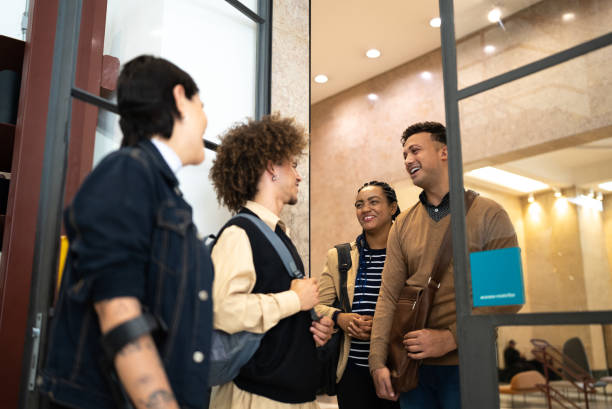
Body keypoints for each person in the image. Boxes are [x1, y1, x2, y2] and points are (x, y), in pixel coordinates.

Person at [40, 56, 213, 409]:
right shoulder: (127, 172)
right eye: (202, 105)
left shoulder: (165, 192)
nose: (206, 120)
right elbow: (119, 311)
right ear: (179, 98)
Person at [369, 121, 522, 409]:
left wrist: (452, 338)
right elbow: (388, 297)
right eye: (404, 154)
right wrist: (377, 360)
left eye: (415, 150)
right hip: (412, 369)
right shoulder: (402, 224)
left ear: (444, 152)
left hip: (469, 365)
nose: (407, 160)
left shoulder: (488, 214)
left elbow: (506, 296)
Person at [208, 114, 334, 409]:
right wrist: (293, 300)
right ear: (271, 168)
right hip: (255, 398)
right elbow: (222, 310)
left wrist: (312, 330)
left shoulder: (278, 236)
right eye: (292, 164)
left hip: (289, 397)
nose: (299, 176)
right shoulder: (239, 232)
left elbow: (280, 321)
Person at [315, 181, 401, 409]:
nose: (365, 209)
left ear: (393, 208)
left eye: (374, 202)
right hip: (351, 372)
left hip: (397, 368)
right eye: (359, 204)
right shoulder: (339, 256)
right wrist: (340, 318)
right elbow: (317, 306)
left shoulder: (409, 254)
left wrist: (384, 325)